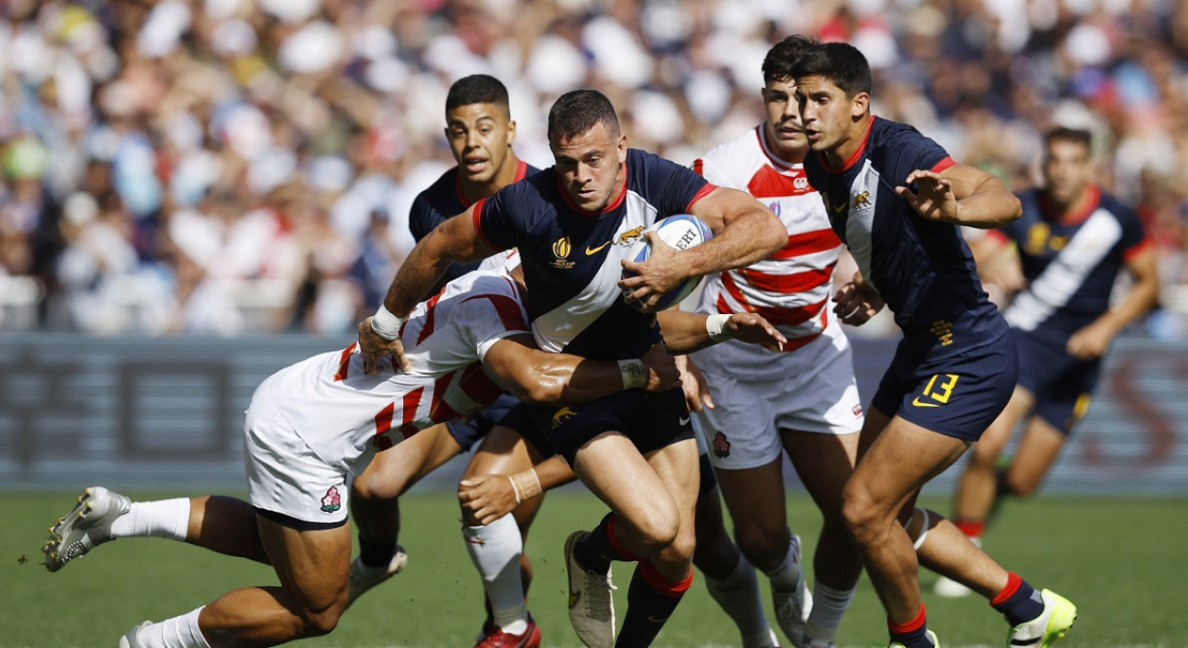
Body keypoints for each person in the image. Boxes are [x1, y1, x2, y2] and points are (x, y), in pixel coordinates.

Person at [41, 263, 784, 648]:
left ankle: (125, 518)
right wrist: (641, 373)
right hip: (305, 437)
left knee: (287, 553)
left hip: (301, 410)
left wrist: (717, 326)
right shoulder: (499, 317)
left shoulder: (509, 289)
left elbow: (634, 322)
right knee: (320, 607)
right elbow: (539, 379)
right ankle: (155, 641)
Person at [358, 89, 787, 648]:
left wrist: (682, 267)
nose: (580, 176)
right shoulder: (527, 204)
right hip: (575, 386)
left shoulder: (657, 181)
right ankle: (534, 601)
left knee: (681, 549)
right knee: (658, 528)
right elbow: (440, 243)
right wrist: (386, 323)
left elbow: (766, 229)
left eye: (594, 160)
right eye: (566, 163)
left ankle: (591, 562)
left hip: (649, 372)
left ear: (621, 149)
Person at [789, 41, 1078, 648]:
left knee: (864, 510)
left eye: (820, 99)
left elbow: (1005, 198)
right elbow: (888, 234)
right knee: (875, 511)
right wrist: (874, 284)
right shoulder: (822, 164)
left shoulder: (900, 151)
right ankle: (1028, 606)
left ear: (859, 104)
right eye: (798, 98)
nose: (804, 112)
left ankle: (912, 640)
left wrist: (956, 209)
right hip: (921, 350)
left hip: (969, 353)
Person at [346, 73, 552, 648]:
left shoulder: (550, 196)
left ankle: (507, 627)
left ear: (511, 130)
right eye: (460, 131)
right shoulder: (430, 208)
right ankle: (380, 559)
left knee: (489, 523)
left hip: (530, 392)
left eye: (485, 128)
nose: (473, 142)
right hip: (460, 390)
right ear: (447, 135)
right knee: (372, 490)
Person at [681, 35, 864, 648]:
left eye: (803, 98)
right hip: (733, 366)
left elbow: (886, 238)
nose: (792, 112)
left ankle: (821, 638)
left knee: (857, 515)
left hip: (817, 358)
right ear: (763, 98)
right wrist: (679, 352)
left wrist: (875, 279)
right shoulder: (721, 171)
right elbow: (675, 263)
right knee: (759, 540)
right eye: (778, 97)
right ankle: (787, 577)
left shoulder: (853, 161)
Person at [933, 126, 1159, 597]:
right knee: (989, 443)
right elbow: (981, 245)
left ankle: (978, 509)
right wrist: (994, 258)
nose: (1061, 170)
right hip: (1025, 341)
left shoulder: (1116, 219)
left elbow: (1148, 284)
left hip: (1079, 358)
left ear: (1089, 166)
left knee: (1022, 481)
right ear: (1043, 164)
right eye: (1054, 160)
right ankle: (967, 550)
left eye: (1073, 161)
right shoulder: (1024, 205)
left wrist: (1106, 328)